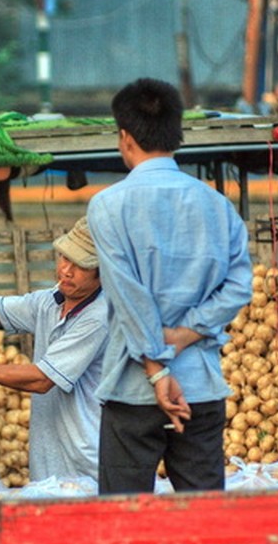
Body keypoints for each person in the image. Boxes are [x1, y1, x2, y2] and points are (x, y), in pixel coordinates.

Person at [86, 77, 253, 494]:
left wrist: (158, 369)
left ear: (125, 137)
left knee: (125, 519)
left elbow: (128, 296)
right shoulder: (217, 205)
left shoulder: (109, 205)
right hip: (200, 387)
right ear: (176, 134)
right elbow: (238, 286)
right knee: (204, 516)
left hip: (133, 391)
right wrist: (184, 335)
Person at [0, 216, 108, 483]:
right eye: (64, 259)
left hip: (87, 465)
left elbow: (42, 379)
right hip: (50, 463)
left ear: (103, 272)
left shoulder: (99, 317)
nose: (66, 271)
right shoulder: (51, 301)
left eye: (80, 266)